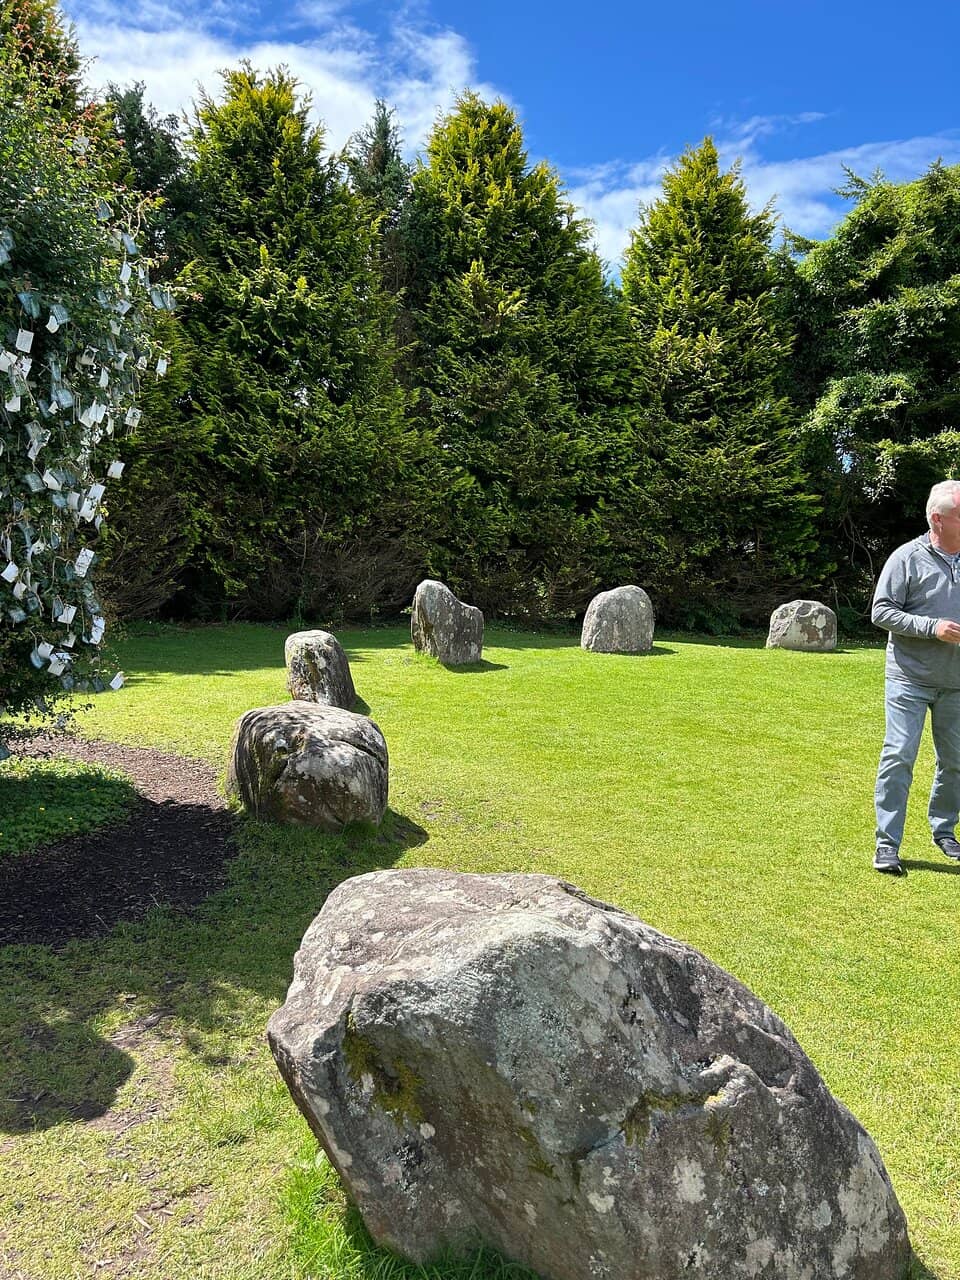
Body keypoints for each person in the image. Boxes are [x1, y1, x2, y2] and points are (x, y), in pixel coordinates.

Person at [871, 479, 960, 874]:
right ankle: (887, 843)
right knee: (899, 756)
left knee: (956, 762)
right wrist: (931, 627)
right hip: (909, 678)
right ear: (938, 520)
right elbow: (881, 611)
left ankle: (944, 830)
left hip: (956, 683)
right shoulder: (906, 558)